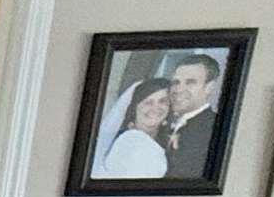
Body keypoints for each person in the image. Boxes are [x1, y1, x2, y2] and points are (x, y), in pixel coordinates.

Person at [160, 51, 223, 180]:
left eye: (190, 82)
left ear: (209, 87)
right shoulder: (162, 122)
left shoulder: (215, 127)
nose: (178, 90)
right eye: (176, 82)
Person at [93, 78, 172, 180]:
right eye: (148, 102)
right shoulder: (130, 140)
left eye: (163, 101)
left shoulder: (168, 144)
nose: (155, 108)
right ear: (134, 107)